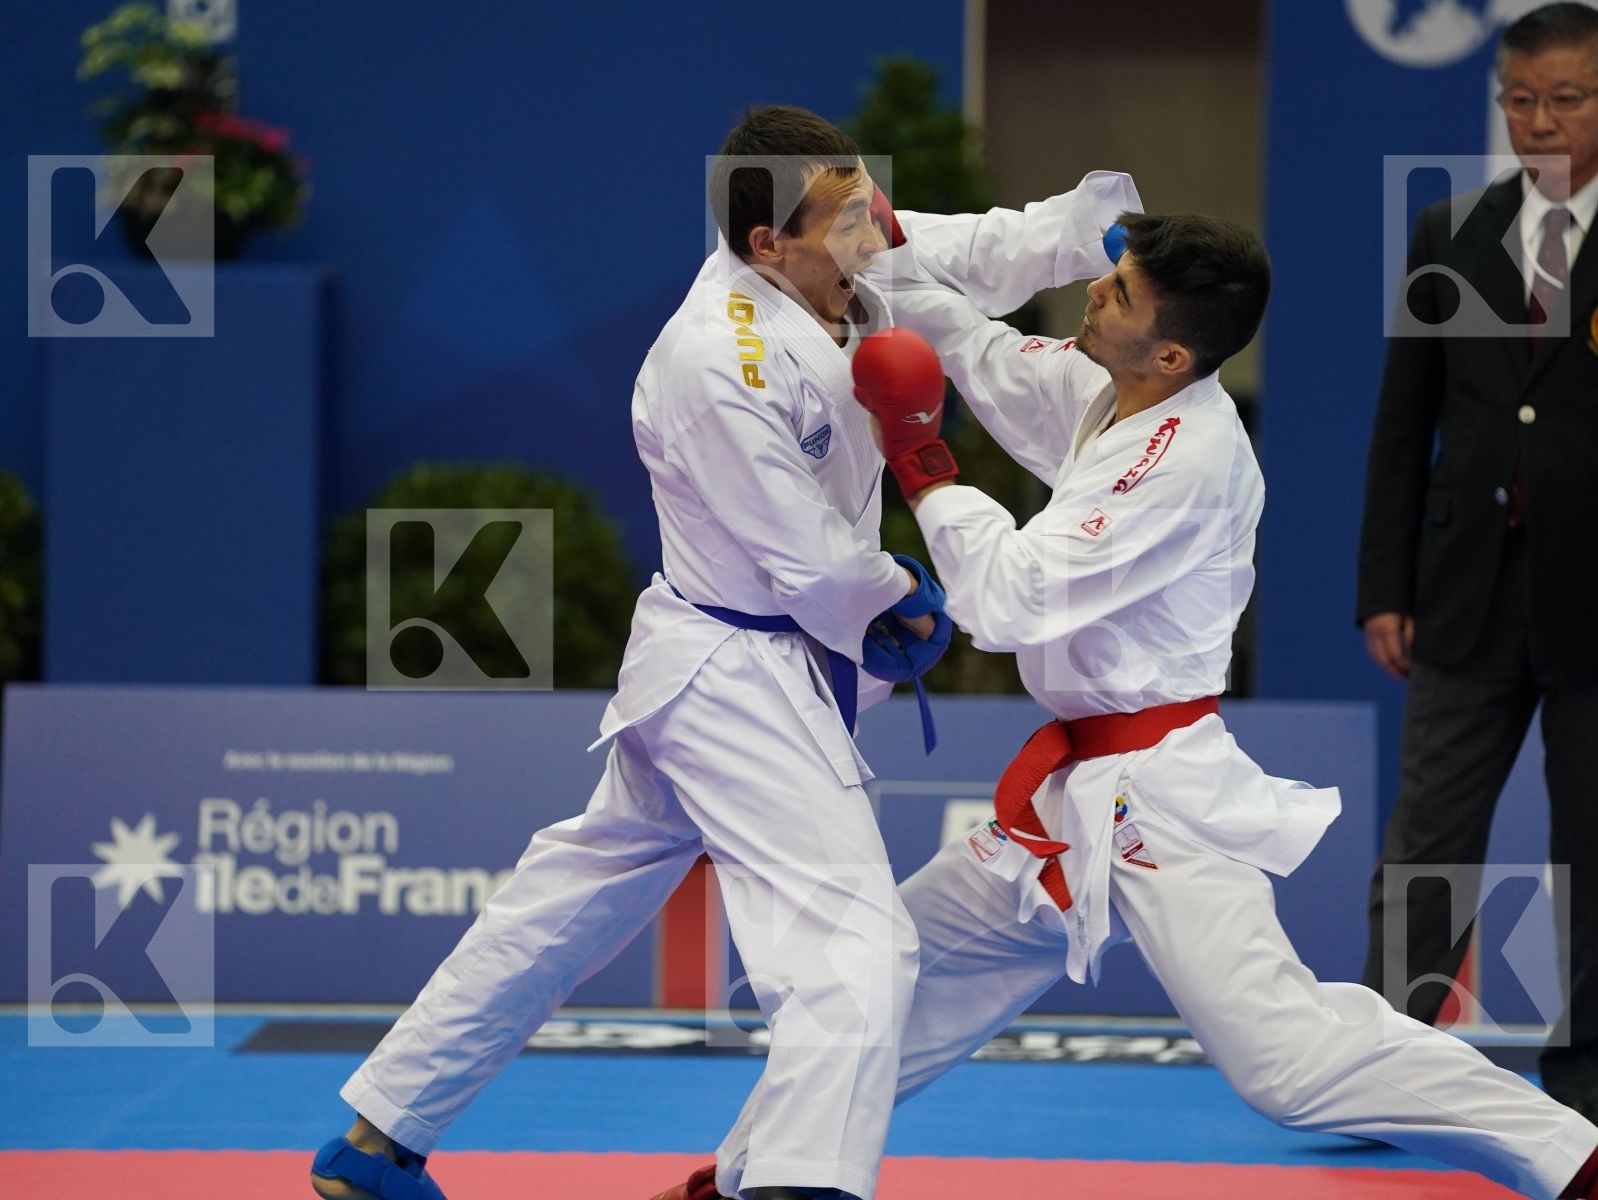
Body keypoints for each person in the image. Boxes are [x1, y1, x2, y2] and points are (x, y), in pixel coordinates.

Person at [653, 185, 1598, 1200]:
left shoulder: (1181, 457)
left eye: (1119, 295)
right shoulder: (1108, 393)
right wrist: (878, 236)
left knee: (1285, 1062)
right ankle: (745, 1178)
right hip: (1068, 796)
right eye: (1108, 277)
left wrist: (924, 468)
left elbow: (1011, 601)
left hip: (1156, 794)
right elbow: (972, 347)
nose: (1092, 296)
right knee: (892, 974)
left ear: (1173, 356)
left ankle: (1574, 1155)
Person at [309, 104, 951, 1200]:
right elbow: (807, 563)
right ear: (764, 243)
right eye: (841, 218)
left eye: (863, 206)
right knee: (854, 947)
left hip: (723, 666)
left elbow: (965, 245)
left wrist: (1087, 237)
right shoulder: (716, 360)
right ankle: (798, 1182)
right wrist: (901, 595)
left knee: (569, 900)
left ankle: (377, 1140)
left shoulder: (823, 277)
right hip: (737, 680)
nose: (868, 235)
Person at [1357, 1, 1598, 1123]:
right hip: (1461, 593)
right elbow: (1402, 423)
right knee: (1428, 845)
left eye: (1566, 99)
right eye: (1519, 100)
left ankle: (1586, 1078)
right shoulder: (1447, 230)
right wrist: (1383, 586)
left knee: (1589, 852)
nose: (1539, 120)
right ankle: (1384, 1069)